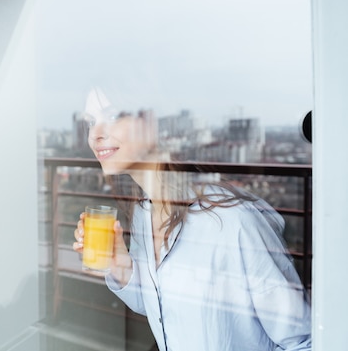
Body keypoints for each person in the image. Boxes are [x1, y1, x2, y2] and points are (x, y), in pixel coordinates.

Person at [72, 88, 312, 351]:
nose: (95, 134)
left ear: (153, 123)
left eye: (113, 115)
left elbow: (303, 341)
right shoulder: (145, 211)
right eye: (91, 122)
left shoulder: (230, 221)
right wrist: (119, 265)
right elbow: (159, 307)